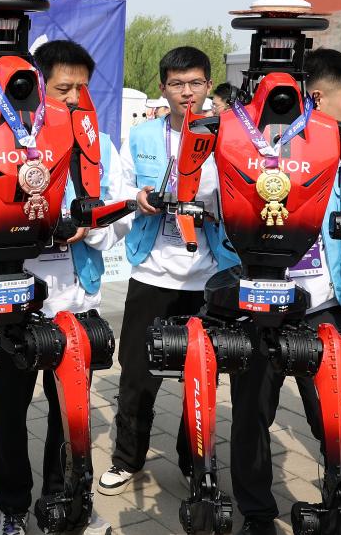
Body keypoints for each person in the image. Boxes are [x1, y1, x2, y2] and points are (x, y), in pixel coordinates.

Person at [228, 48, 341, 535]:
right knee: (251, 418)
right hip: (257, 304)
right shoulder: (238, 141)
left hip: (325, 309)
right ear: (315, 97)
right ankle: (257, 516)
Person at [0, 40, 121, 535]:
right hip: (16, 302)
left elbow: (118, 213)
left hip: (77, 301)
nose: (74, 98)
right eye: (64, 88)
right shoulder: (2, 139)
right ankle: (11, 508)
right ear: (38, 87)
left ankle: (63, 503)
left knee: (70, 413)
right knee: (7, 411)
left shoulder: (98, 143)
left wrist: (92, 226)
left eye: (82, 88)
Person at [97, 46, 240, 495]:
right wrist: (137, 200)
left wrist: (213, 207)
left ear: (208, 86)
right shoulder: (142, 137)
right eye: (177, 84)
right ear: (163, 88)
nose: (187, 92)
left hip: (208, 277)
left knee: (203, 375)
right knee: (137, 373)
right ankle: (127, 458)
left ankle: (193, 460)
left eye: (196, 83)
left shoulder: (228, 137)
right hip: (153, 273)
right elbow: (120, 192)